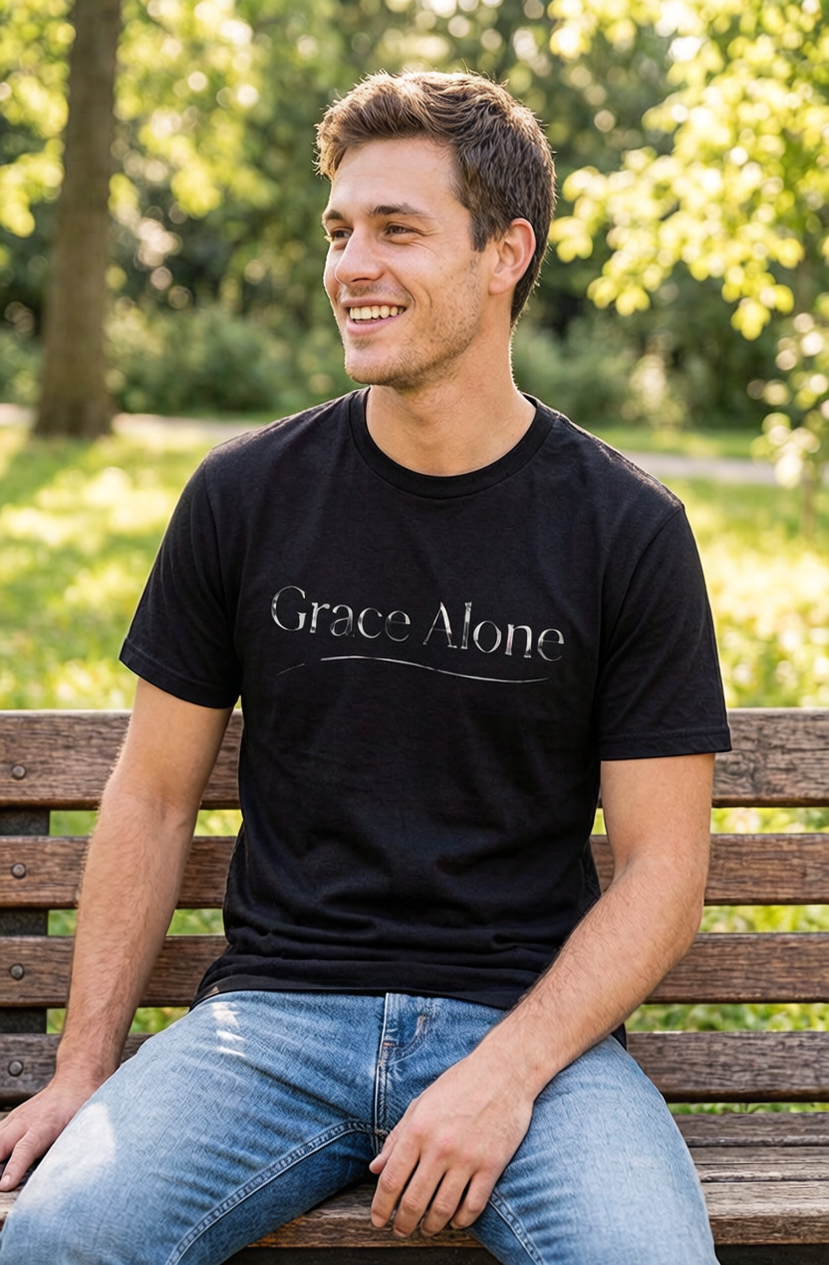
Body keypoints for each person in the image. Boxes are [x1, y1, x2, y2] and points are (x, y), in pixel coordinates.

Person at [0, 70, 730, 1264]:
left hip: (529, 1038)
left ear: (506, 253)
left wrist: (502, 1076)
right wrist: (84, 1069)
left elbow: (664, 867)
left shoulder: (623, 528)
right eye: (340, 230)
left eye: (398, 229)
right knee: (59, 1240)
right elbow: (151, 792)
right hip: (269, 1026)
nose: (351, 264)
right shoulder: (244, 496)